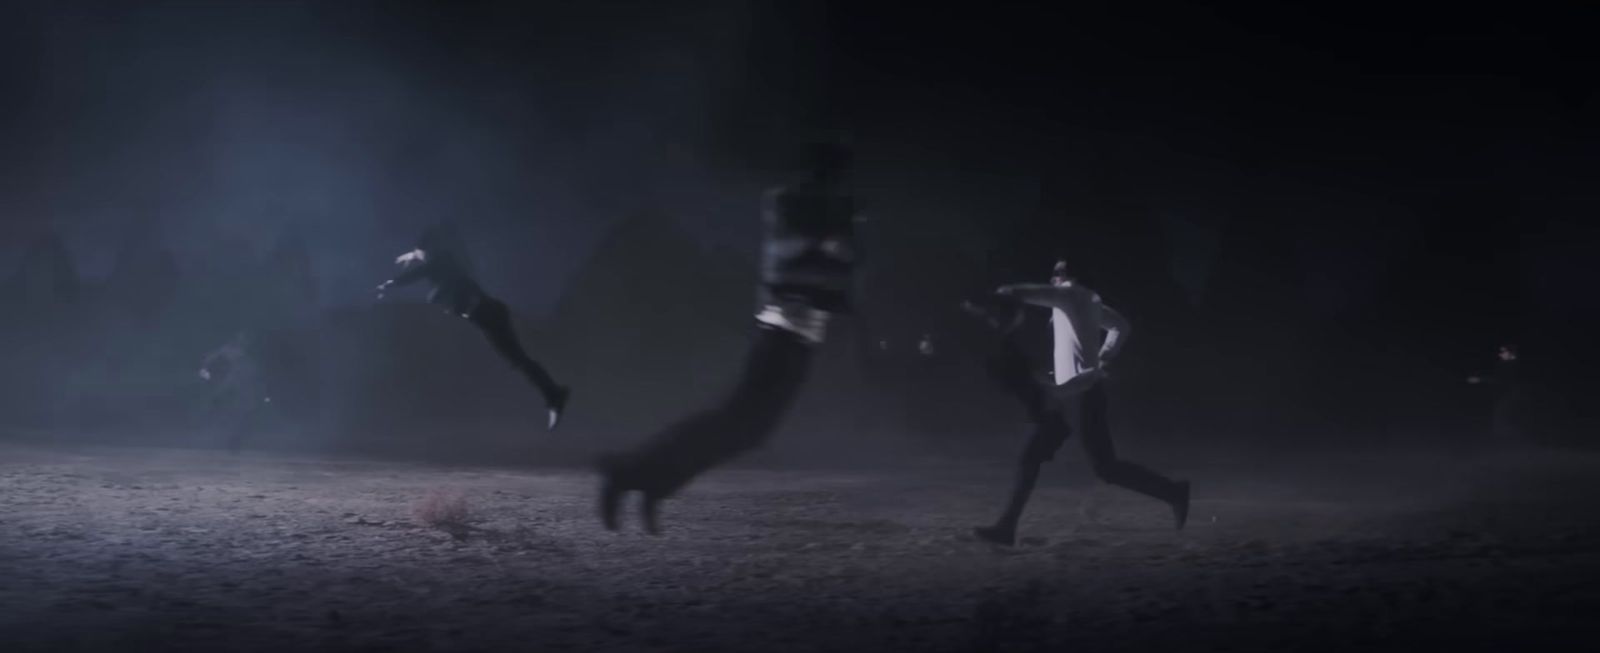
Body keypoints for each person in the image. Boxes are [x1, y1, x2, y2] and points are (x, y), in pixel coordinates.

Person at [596, 139, 858, 534]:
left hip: (799, 338)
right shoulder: (790, 202)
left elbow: (835, 278)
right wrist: (839, 239)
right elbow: (815, 264)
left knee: (745, 431)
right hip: (782, 334)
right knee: (733, 423)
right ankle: (629, 473)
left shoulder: (822, 211)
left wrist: (839, 250)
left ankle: (650, 481)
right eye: (834, 174)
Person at [973, 261, 1190, 546]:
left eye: (1056, 273)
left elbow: (1024, 292)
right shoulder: (1088, 301)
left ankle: (1173, 492)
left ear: (1064, 277)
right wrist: (1102, 359)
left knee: (1080, 463)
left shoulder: (1069, 294)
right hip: (1081, 392)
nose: (1052, 278)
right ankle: (1006, 528)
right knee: (1092, 465)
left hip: (1077, 395)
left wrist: (1002, 291)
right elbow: (1121, 326)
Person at [375, 223, 570, 430]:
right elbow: (424, 265)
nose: (419, 258)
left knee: (519, 360)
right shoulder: (441, 266)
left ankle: (555, 395)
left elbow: (418, 272)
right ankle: (554, 393)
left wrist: (390, 283)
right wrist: (412, 255)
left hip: (489, 315)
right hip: (485, 317)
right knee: (518, 361)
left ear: (430, 250)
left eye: (421, 254)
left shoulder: (443, 261)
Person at [198, 331, 272, 452]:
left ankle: (235, 440)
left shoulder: (251, 355)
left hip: (246, 382)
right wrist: (204, 369)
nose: (244, 341)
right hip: (237, 379)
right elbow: (211, 357)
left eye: (246, 338)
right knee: (222, 400)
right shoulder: (229, 350)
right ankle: (222, 431)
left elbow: (258, 375)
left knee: (247, 411)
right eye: (242, 338)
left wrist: (263, 392)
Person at [1467, 343, 1522, 446]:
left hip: (1513, 395)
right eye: (1500, 352)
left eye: (1503, 352)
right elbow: (1497, 378)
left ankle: (1513, 442)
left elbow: (1501, 380)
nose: (1500, 354)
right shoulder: (1505, 364)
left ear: (1511, 353)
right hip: (1506, 395)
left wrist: (1479, 379)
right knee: (1500, 417)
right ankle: (1507, 443)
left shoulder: (1513, 365)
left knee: (1503, 418)